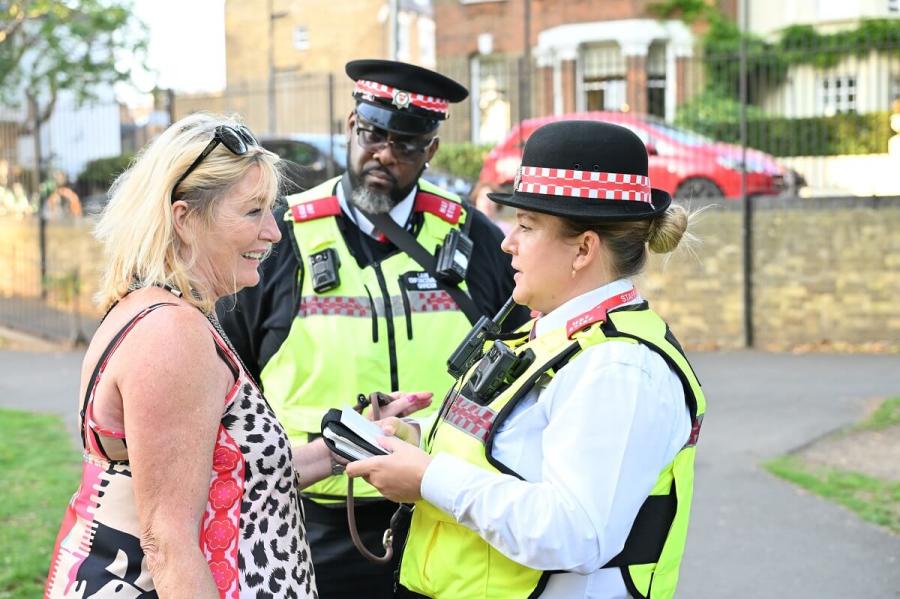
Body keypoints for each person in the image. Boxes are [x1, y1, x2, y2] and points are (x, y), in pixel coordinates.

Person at [347, 120, 708, 599]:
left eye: (526, 227)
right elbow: (507, 449)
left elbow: (575, 533)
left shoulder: (619, 367)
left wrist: (429, 477)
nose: (506, 243)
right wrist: (414, 439)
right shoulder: (554, 334)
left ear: (583, 249)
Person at [218, 59, 529, 598]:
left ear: (431, 151)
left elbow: (524, 363)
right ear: (348, 126)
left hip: (445, 512)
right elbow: (226, 379)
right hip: (309, 516)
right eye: (372, 134)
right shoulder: (279, 236)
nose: (383, 153)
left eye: (406, 143)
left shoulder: (474, 239)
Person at [44, 112, 385, 598]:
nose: (273, 232)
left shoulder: (162, 312)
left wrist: (353, 440)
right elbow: (168, 545)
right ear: (184, 219)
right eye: (253, 212)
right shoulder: (170, 332)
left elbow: (230, 473)